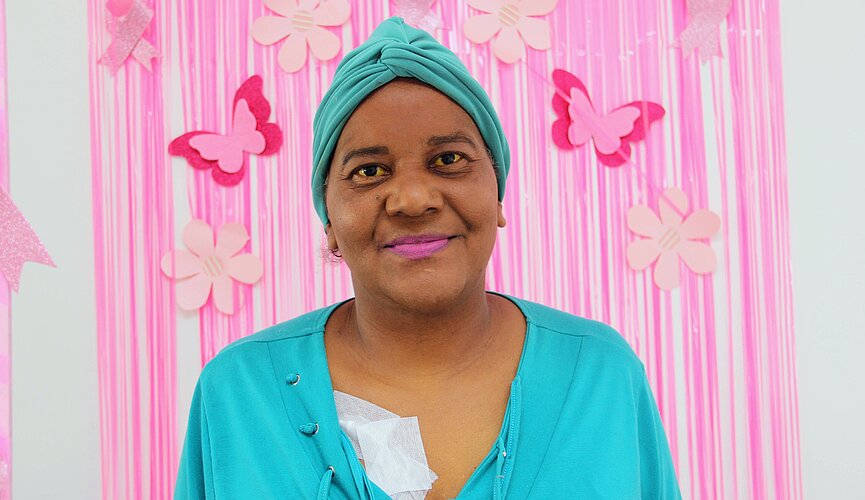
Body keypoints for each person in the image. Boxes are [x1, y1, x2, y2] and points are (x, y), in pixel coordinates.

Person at [175, 16, 682, 500]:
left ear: (497, 192)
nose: (413, 200)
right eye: (369, 170)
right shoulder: (239, 394)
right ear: (328, 218)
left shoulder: (601, 375)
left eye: (448, 160)